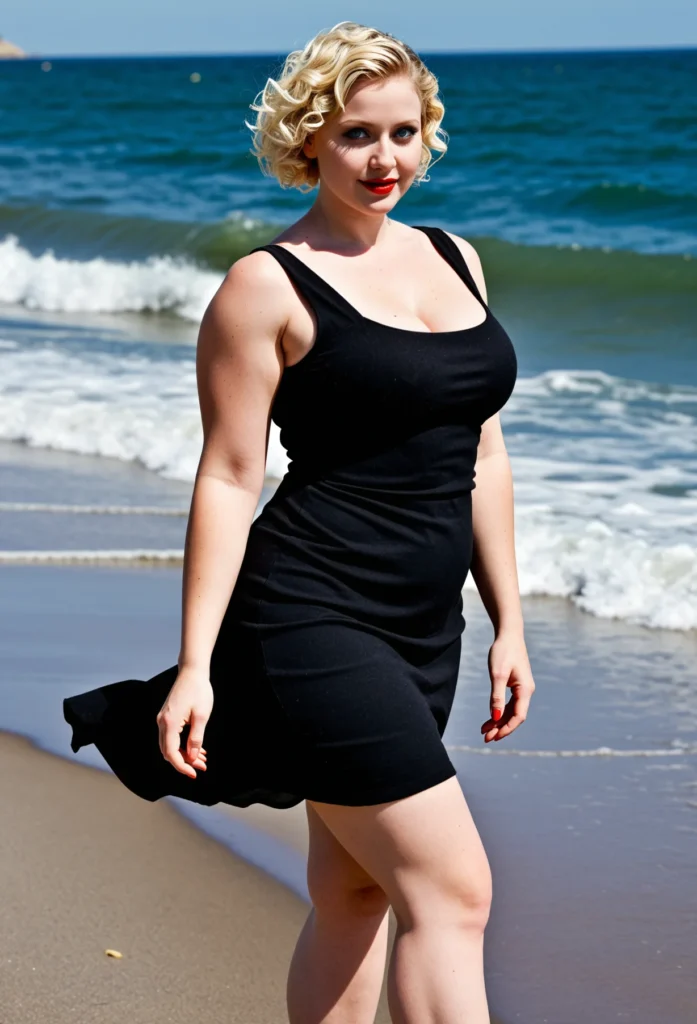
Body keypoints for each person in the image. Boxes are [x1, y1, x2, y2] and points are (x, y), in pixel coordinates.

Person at [64, 20, 536, 1024]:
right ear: (310, 137)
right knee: (454, 893)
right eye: (359, 135)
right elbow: (231, 476)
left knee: (355, 891)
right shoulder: (264, 286)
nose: (385, 159)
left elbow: (482, 455)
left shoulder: (457, 260)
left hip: (423, 626)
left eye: (405, 133)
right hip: (309, 617)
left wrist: (511, 624)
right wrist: (194, 664)